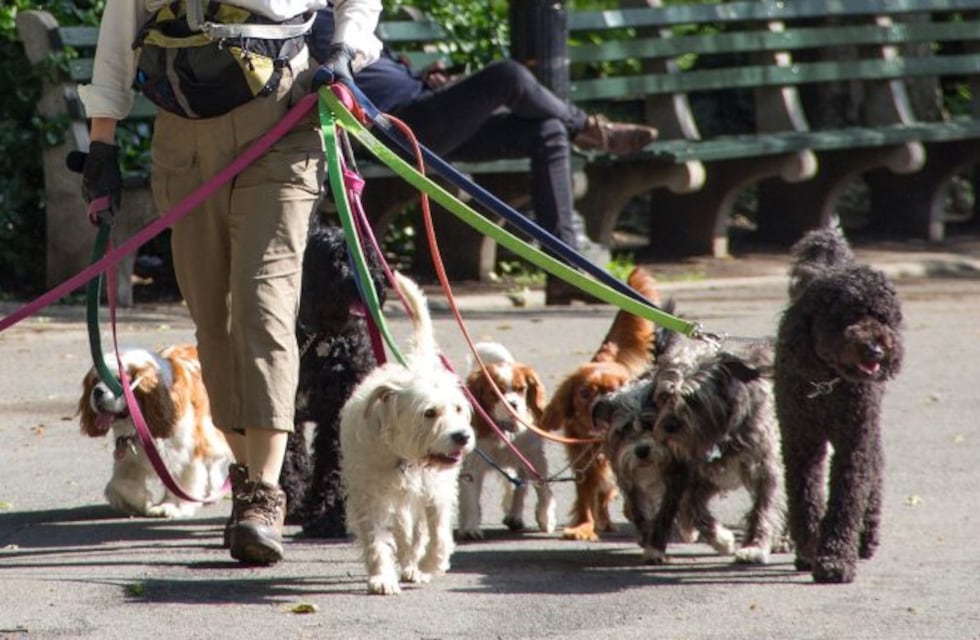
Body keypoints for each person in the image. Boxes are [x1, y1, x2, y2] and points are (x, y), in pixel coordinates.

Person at [77, 0, 382, 565]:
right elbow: (118, 34)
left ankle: (264, 494)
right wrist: (102, 147)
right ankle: (246, 479)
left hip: (282, 123)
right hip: (184, 137)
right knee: (212, 319)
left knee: (261, 308)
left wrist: (343, 51)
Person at [310, 9, 659, 305]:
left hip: (426, 111)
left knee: (547, 131)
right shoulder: (311, 18)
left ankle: (563, 270)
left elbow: (378, 74)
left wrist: (429, 81)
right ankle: (591, 129)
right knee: (507, 76)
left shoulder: (348, 12)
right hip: (397, 125)